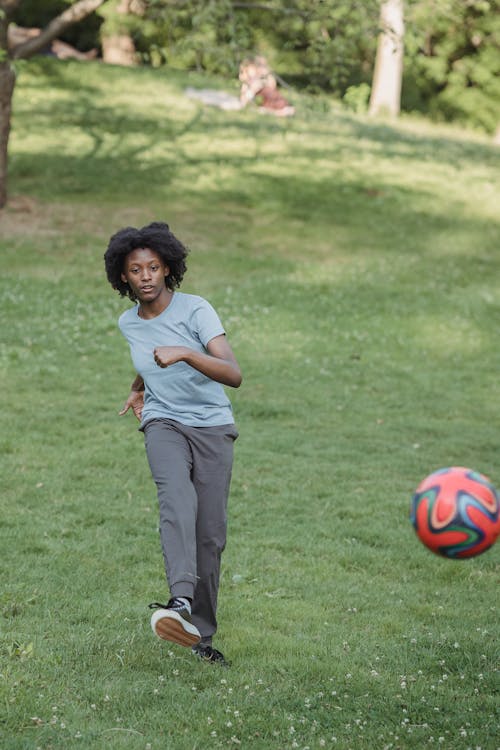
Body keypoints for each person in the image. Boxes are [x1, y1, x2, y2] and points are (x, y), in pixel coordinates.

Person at [104, 221, 242, 665]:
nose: (145, 276)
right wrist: (139, 386)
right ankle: (179, 601)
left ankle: (199, 635)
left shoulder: (196, 310)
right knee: (176, 498)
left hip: (212, 426)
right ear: (122, 276)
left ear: (168, 270)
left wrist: (185, 352)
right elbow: (148, 357)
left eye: (153, 267)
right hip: (164, 422)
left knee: (210, 535)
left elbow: (232, 374)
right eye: (135, 269)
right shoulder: (129, 322)